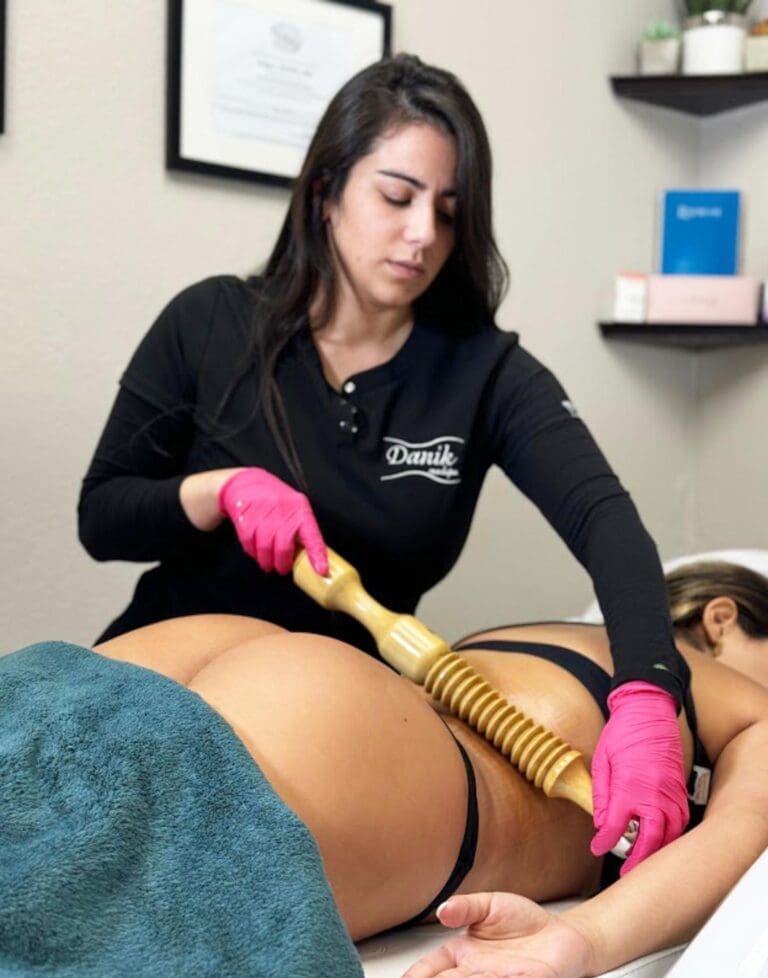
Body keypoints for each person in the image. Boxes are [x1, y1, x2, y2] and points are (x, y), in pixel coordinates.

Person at [78, 53, 689, 866]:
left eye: (448, 209)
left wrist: (649, 694)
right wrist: (219, 491)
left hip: (328, 730)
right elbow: (103, 516)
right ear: (326, 192)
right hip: (155, 675)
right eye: (396, 197)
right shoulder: (209, 322)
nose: (423, 234)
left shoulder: (486, 374)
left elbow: (607, 522)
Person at [2, 561, 767, 978]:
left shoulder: (547, 636)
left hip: (251, 661)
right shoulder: (723, 689)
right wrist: (587, 936)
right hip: (360, 747)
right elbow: (750, 826)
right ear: (724, 619)